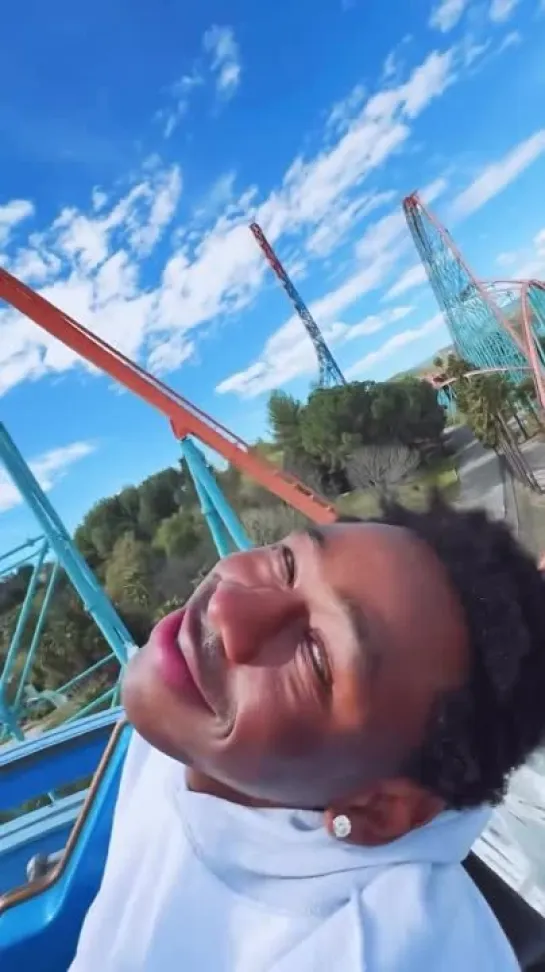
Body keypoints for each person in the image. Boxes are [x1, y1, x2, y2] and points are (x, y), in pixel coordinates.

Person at [69, 495, 545, 971]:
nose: (227, 608)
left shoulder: (379, 952)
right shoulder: (185, 720)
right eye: (285, 562)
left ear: (376, 809)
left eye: (316, 658)